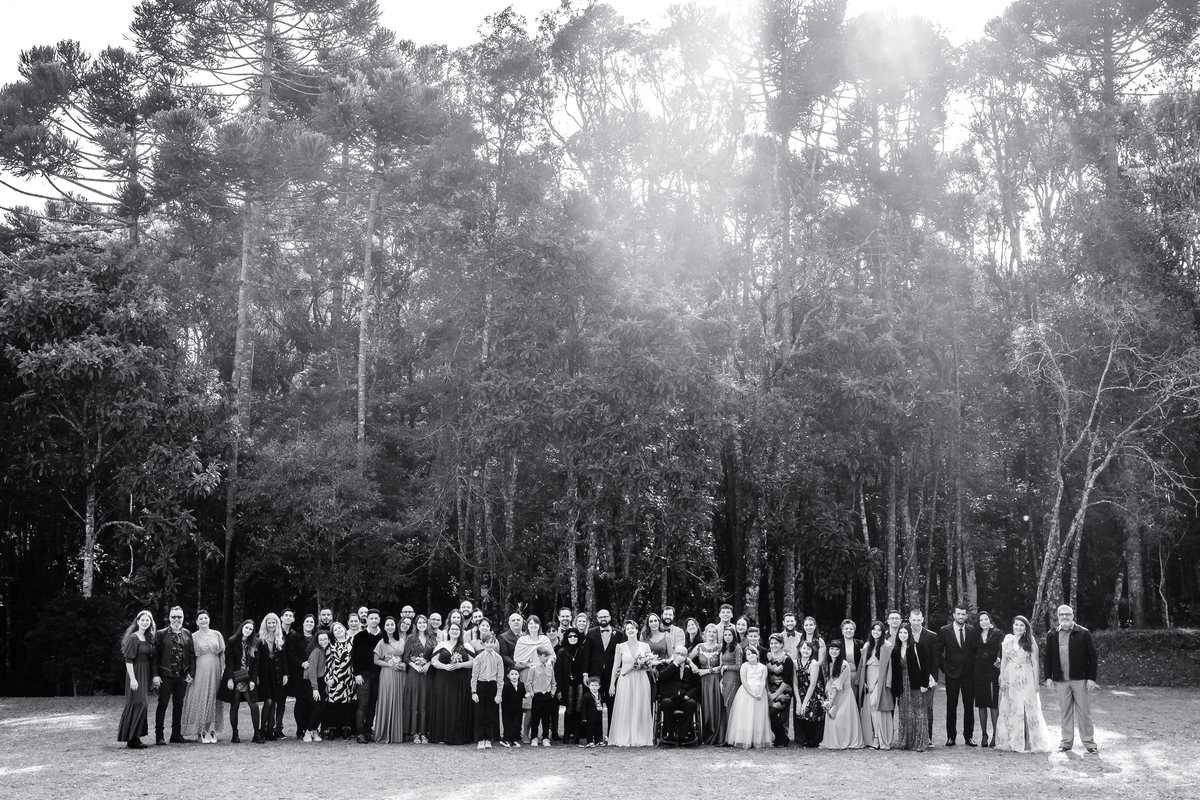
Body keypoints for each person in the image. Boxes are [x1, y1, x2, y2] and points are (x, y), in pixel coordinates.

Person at [1043, 604, 1099, 754]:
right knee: (1065, 712)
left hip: (1080, 680)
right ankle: (1066, 743)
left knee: (1084, 712)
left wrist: (1091, 679)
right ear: (1058, 617)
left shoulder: (1083, 633)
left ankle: (1089, 744)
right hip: (1061, 681)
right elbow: (1047, 657)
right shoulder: (1052, 634)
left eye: (1068, 614)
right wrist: (1048, 677)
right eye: (1062, 615)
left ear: (1073, 616)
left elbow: (1092, 657)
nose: (1065, 617)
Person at [995, 615, 1053, 753]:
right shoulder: (1007, 640)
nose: (1018, 627)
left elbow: (1036, 663)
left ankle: (1027, 741)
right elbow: (1003, 661)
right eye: (1016, 625)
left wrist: (1036, 682)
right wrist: (1002, 678)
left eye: (1021, 625)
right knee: (1011, 707)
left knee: (1026, 706)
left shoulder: (1030, 641)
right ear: (1012, 626)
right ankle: (1012, 740)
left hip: (1025, 676)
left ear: (1026, 628)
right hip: (1010, 676)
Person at [152, 605, 196, 745]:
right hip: (165, 675)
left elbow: (192, 655)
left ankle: (176, 734)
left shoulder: (188, 634)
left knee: (179, 705)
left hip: (182, 676)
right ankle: (159, 736)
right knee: (163, 704)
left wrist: (191, 673)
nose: (177, 619)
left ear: (183, 618)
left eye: (179, 617)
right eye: (174, 617)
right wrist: (155, 675)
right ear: (169, 618)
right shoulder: (161, 634)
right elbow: (154, 656)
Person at [607, 620, 654, 746]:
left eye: (633, 628)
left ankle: (640, 736)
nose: (631, 630)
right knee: (626, 706)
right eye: (628, 629)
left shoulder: (645, 646)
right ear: (625, 631)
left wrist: (642, 666)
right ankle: (624, 736)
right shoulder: (620, 647)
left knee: (640, 706)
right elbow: (615, 666)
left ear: (637, 630)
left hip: (641, 679)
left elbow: (649, 667)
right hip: (625, 679)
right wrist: (612, 684)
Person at [181, 609, 224, 743]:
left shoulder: (217, 634)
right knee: (200, 696)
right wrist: (189, 672)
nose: (204, 620)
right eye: (201, 619)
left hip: (215, 668)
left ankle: (210, 729)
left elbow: (222, 653)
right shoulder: (192, 636)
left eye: (206, 618)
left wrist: (223, 669)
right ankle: (200, 731)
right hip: (200, 669)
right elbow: (189, 656)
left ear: (209, 619)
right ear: (196, 622)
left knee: (214, 697)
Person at [428, 621, 475, 745]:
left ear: (461, 632)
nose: (454, 631)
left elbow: (474, 662)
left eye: (457, 629)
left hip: (461, 680)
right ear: (448, 631)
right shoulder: (442, 644)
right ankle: (441, 735)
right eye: (452, 629)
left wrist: (460, 665)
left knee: (458, 705)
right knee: (443, 704)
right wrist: (444, 666)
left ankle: (459, 736)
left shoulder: (466, 645)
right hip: (443, 680)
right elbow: (433, 660)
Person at [217, 619, 262, 743]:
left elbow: (256, 663)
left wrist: (253, 680)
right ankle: (235, 734)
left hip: (248, 679)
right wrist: (230, 679)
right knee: (234, 705)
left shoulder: (254, 643)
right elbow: (229, 661)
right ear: (242, 627)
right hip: (235, 678)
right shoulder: (232, 641)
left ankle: (257, 734)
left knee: (254, 705)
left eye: (250, 629)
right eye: (246, 628)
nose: (248, 630)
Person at [938, 604, 977, 746]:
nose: (961, 616)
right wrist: (945, 668)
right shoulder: (944, 631)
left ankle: (969, 736)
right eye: (958, 614)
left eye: (963, 614)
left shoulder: (973, 631)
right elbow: (938, 651)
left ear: (967, 616)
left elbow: (977, 650)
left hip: (968, 673)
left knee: (969, 706)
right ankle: (951, 736)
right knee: (951, 705)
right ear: (953, 615)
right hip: (951, 673)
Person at [118, 610, 155, 748]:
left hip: (145, 672)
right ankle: (131, 738)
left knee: (143, 703)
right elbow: (128, 660)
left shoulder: (149, 638)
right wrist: (133, 679)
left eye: (148, 620)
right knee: (137, 702)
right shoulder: (133, 638)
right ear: (138, 621)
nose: (145, 622)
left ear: (151, 623)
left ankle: (136, 736)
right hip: (135, 672)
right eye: (143, 620)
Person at [891, 623, 931, 752]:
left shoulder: (917, 647)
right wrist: (896, 689)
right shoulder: (896, 650)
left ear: (910, 634)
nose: (903, 635)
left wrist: (924, 684)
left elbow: (925, 667)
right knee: (905, 714)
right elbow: (895, 671)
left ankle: (919, 742)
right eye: (900, 633)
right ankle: (905, 741)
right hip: (903, 685)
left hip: (916, 684)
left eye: (905, 633)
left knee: (918, 713)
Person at [583, 608, 624, 732]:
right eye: (600, 617)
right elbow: (587, 654)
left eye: (605, 616)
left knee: (612, 702)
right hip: (596, 673)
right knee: (595, 704)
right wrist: (585, 673)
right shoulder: (591, 633)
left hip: (612, 673)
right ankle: (597, 734)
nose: (603, 619)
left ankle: (612, 732)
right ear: (597, 619)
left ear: (610, 618)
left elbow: (622, 654)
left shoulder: (619, 634)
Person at [514, 615, 554, 743]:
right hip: (527, 673)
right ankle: (525, 734)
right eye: (530, 623)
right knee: (528, 707)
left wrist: (548, 662)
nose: (533, 626)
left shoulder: (545, 640)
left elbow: (552, 656)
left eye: (535, 623)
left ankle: (541, 735)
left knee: (540, 707)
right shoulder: (522, 641)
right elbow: (517, 660)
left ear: (539, 626)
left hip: (543, 674)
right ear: (527, 626)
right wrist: (528, 665)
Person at [820, 639, 864, 749]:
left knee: (841, 719)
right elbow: (829, 682)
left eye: (836, 649)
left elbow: (837, 683)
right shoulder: (828, 664)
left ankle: (844, 740)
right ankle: (834, 740)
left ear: (840, 651)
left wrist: (830, 701)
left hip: (844, 695)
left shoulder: (844, 665)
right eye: (832, 649)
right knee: (832, 717)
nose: (834, 651)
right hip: (832, 694)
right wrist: (828, 696)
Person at [725, 646, 771, 749]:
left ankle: (757, 739)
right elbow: (744, 680)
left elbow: (763, 681)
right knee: (746, 714)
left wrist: (760, 693)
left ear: (757, 654)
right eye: (748, 654)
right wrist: (751, 693)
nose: (751, 656)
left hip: (759, 692)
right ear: (746, 657)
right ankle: (743, 738)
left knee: (758, 715)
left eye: (753, 653)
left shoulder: (763, 667)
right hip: (746, 692)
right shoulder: (744, 666)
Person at [856, 620, 892, 749]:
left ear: (882, 632)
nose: (876, 632)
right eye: (874, 629)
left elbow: (887, 668)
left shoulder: (886, 645)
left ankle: (879, 738)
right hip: (868, 677)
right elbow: (862, 665)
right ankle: (874, 736)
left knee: (875, 705)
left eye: (879, 630)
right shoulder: (867, 645)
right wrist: (863, 681)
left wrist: (879, 683)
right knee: (870, 708)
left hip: (879, 679)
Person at [373, 616, 407, 743]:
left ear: (395, 626)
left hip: (400, 674)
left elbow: (405, 657)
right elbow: (375, 660)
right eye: (387, 625)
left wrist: (404, 664)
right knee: (387, 699)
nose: (390, 627)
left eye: (392, 624)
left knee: (400, 700)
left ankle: (399, 733)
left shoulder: (402, 641)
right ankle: (385, 732)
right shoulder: (381, 642)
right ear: (384, 627)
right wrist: (389, 665)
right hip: (387, 673)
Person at [352, 608, 385, 743]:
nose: (374, 620)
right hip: (364, 674)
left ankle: (368, 730)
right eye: (371, 618)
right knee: (363, 704)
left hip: (378, 674)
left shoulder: (382, 636)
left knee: (373, 704)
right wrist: (357, 674)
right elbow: (355, 656)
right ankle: (359, 732)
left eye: (376, 618)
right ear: (367, 620)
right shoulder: (360, 636)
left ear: (379, 620)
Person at [657, 644, 700, 744]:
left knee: (692, 703)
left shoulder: (691, 668)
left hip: (684, 698)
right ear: (674, 654)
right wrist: (675, 664)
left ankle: (684, 735)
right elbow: (662, 677)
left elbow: (697, 686)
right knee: (666, 703)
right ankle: (669, 733)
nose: (680, 656)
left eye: (683, 654)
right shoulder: (665, 665)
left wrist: (689, 694)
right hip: (669, 697)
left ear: (686, 656)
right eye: (678, 653)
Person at [256, 612, 288, 742]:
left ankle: (270, 731)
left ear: (277, 624)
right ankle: (261, 730)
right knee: (268, 701)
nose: (271, 625)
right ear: (265, 624)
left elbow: (284, 658)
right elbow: (256, 659)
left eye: (273, 622)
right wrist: (255, 676)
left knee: (274, 702)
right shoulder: (259, 638)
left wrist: (286, 674)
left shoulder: (280, 637)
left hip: (277, 672)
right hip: (264, 673)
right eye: (269, 622)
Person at [403, 614, 435, 743]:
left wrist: (428, 664)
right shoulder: (411, 638)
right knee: (415, 700)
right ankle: (415, 733)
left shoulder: (432, 638)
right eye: (420, 622)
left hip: (427, 673)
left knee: (425, 700)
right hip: (414, 673)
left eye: (424, 622)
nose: (422, 624)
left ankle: (424, 732)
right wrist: (414, 666)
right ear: (416, 625)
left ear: (427, 624)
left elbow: (435, 656)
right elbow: (405, 657)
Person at [910, 609, 940, 741]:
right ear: (910, 620)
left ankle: (928, 737)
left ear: (922, 620)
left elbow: (935, 659)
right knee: (912, 708)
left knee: (928, 708)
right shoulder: (905, 634)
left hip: (927, 677)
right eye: (913, 620)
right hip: (910, 678)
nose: (916, 622)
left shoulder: (931, 636)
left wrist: (933, 679)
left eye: (918, 620)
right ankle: (913, 737)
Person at [323, 621, 356, 740]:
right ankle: (332, 729)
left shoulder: (353, 641)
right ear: (333, 633)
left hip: (349, 677)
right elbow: (327, 663)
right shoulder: (330, 644)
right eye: (335, 629)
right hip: (335, 677)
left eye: (340, 628)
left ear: (344, 628)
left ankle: (346, 729)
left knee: (348, 704)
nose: (338, 630)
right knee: (333, 704)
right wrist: (328, 678)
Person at [471, 633, 505, 749]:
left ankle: (488, 738)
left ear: (494, 643)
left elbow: (500, 677)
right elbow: (474, 676)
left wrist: (499, 694)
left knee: (490, 714)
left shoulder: (498, 658)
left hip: (492, 685)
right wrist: (474, 692)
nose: (489, 645)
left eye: (491, 642)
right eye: (487, 642)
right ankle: (480, 739)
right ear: (483, 643)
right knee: (480, 714)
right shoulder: (478, 658)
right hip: (481, 685)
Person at [973, 611, 1002, 747]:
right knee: (981, 703)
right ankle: (984, 734)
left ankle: (996, 735)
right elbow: (972, 651)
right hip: (979, 670)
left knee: (993, 702)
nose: (983, 622)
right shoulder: (975, 634)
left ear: (990, 620)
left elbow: (1003, 650)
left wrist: (1000, 659)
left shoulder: (998, 634)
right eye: (981, 620)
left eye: (986, 619)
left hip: (992, 670)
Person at [693, 623, 724, 745]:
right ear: (705, 633)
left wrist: (706, 671)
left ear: (717, 634)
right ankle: (706, 735)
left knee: (716, 705)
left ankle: (717, 735)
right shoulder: (699, 647)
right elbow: (686, 656)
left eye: (714, 632)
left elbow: (721, 666)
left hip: (716, 679)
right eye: (709, 632)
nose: (711, 634)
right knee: (706, 706)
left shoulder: (720, 647)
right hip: (703, 681)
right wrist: (692, 664)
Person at [556, 627, 586, 743]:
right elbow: (558, 671)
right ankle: (567, 734)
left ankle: (577, 735)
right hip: (566, 682)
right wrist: (558, 689)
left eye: (575, 636)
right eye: (570, 636)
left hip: (580, 682)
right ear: (566, 638)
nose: (573, 638)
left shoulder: (582, 650)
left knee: (578, 708)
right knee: (569, 708)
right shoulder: (562, 651)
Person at [764, 633, 794, 747]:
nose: (773, 645)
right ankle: (778, 738)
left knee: (772, 713)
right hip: (769, 689)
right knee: (766, 713)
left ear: (781, 644)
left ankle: (783, 738)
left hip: (783, 691)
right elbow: (764, 674)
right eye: (771, 643)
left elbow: (787, 681)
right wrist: (767, 691)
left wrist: (775, 695)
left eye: (776, 643)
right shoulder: (767, 656)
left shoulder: (787, 659)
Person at [282, 609, 308, 739]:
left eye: (290, 616)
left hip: (308, 674)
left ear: (293, 619)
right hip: (293, 672)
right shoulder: (295, 636)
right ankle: (276, 728)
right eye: (286, 615)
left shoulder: (294, 634)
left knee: (306, 701)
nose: (288, 617)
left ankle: (307, 727)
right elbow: (291, 654)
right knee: (283, 701)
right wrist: (301, 663)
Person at [527, 646, 558, 746]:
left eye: (548, 656)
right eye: (545, 656)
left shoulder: (550, 669)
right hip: (537, 695)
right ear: (539, 656)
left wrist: (552, 692)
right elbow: (529, 682)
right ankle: (534, 737)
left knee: (546, 718)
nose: (547, 658)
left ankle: (545, 737)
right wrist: (531, 692)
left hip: (547, 695)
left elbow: (553, 682)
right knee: (535, 718)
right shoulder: (533, 668)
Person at [303, 630, 329, 741]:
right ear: (317, 641)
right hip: (310, 682)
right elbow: (311, 671)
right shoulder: (316, 651)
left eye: (325, 639)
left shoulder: (326, 651)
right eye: (321, 639)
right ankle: (308, 732)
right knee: (316, 708)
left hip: (320, 681)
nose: (323, 641)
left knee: (322, 709)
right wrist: (315, 688)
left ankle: (314, 730)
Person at [717, 625, 741, 743]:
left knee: (730, 705)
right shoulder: (724, 647)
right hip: (725, 679)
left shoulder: (737, 648)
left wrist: (726, 667)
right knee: (725, 706)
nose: (727, 637)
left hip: (733, 678)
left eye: (730, 635)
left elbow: (739, 666)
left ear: (734, 636)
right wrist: (721, 679)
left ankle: (731, 738)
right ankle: (725, 737)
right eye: (725, 635)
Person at [500, 666, 526, 747]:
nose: (514, 676)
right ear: (508, 675)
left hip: (518, 708)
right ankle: (505, 739)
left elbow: (523, 694)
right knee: (508, 724)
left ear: (519, 675)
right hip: (508, 709)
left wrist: (527, 695)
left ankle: (513, 739)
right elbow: (504, 697)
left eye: (516, 674)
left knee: (517, 723)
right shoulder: (506, 685)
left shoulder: (521, 684)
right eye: (512, 674)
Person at [837, 619, 864, 693]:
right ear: (842, 631)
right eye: (846, 629)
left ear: (854, 631)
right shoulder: (837, 644)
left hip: (856, 676)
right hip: (841, 676)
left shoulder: (860, 644)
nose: (848, 630)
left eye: (851, 629)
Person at [579, 676, 605, 747]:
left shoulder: (600, 695)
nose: (594, 687)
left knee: (598, 729)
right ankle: (590, 741)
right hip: (590, 716)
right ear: (589, 686)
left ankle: (598, 740)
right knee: (590, 729)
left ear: (599, 686)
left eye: (596, 685)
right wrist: (584, 717)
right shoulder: (586, 696)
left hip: (598, 715)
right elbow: (583, 708)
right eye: (592, 685)